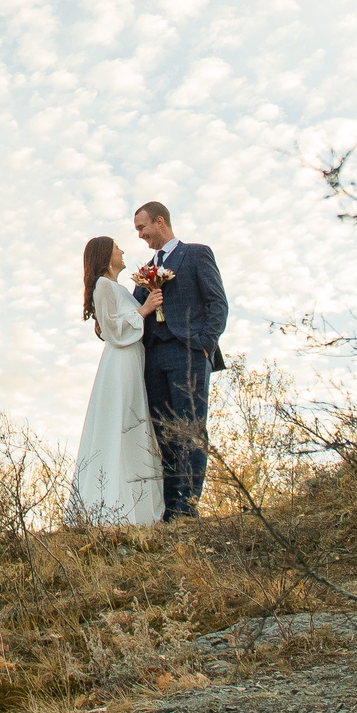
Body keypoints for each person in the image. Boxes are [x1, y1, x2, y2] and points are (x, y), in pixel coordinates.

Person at [131, 201, 226, 521]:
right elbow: (133, 314)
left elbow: (217, 303)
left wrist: (204, 344)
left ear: (160, 222)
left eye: (143, 227)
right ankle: (171, 509)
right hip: (153, 357)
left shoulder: (197, 254)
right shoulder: (144, 272)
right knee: (164, 434)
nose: (140, 234)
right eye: (137, 230)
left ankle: (187, 507)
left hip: (188, 351)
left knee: (190, 429)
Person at [70, 235, 164, 525]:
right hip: (120, 362)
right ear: (106, 256)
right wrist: (145, 309)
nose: (122, 251)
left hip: (132, 359)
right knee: (122, 424)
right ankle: (112, 508)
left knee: (132, 425)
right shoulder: (104, 285)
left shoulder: (115, 287)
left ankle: (137, 508)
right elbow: (112, 330)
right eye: (117, 248)